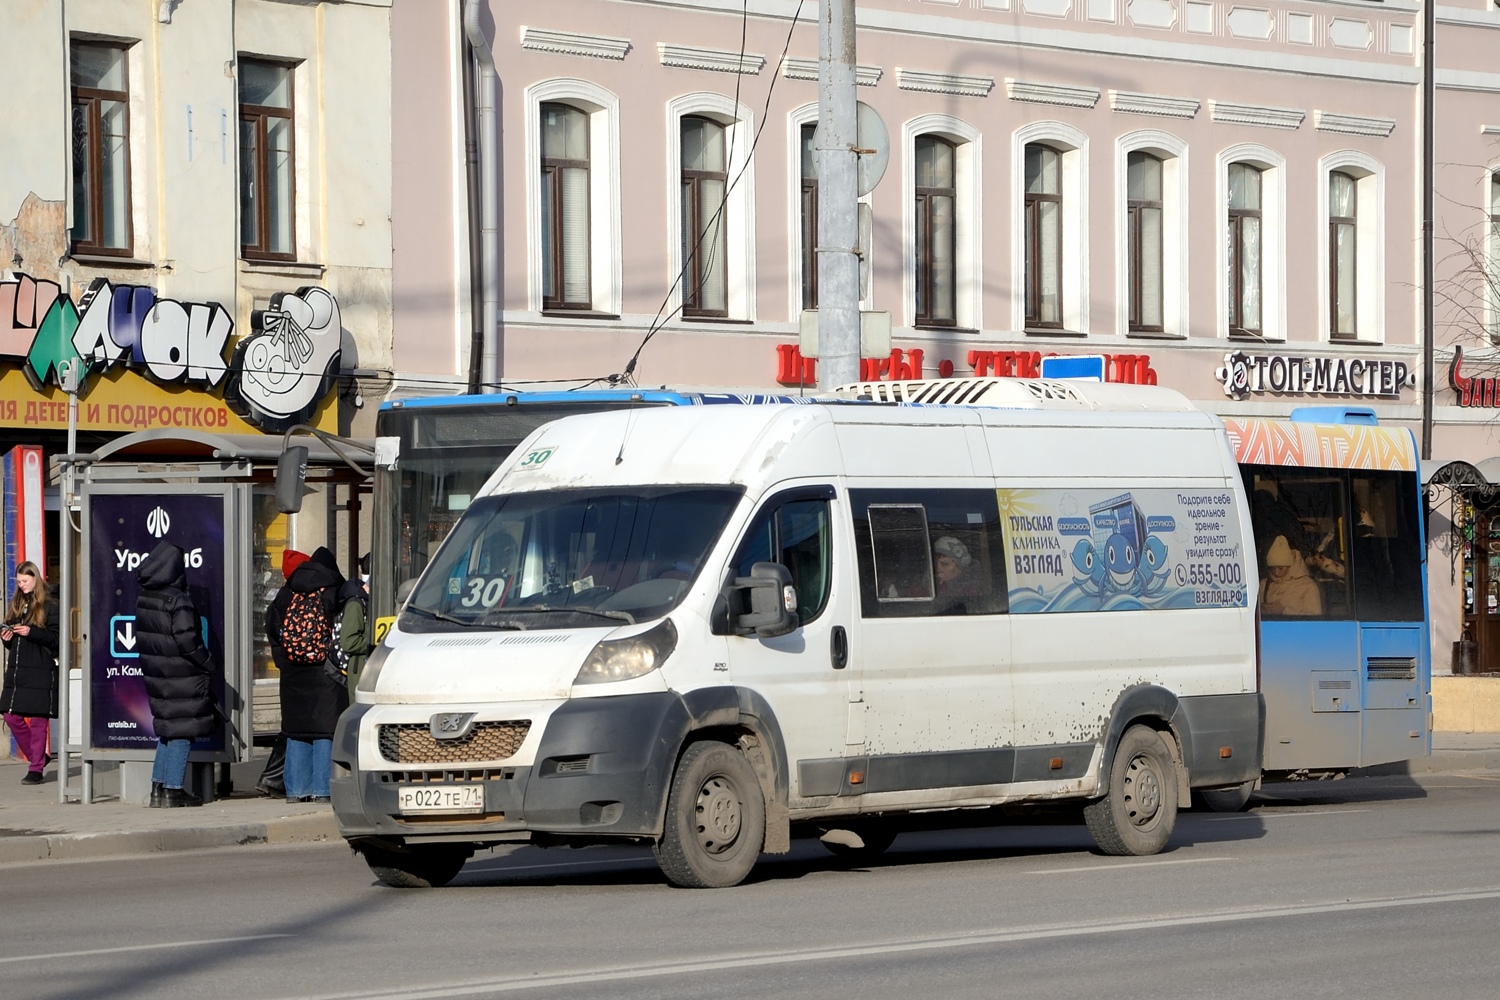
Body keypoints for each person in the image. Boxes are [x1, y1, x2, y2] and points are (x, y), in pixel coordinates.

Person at [135, 541, 214, 808]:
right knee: (182, 731)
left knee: (168, 729)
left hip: (158, 673)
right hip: (182, 674)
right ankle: (173, 789)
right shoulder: (177, 600)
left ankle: (157, 789)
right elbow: (187, 640)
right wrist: (207, 663)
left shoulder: (145, 596)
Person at [266, 546, 347, 803]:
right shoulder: (334, 591)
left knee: (296, 731)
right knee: (325, 731)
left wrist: (284, 661)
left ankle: (297, 790)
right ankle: (322, 790)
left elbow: (272, 628)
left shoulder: (286, 592)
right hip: (325, 674)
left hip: (292, 672)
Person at [0, 561, 59, 786]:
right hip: (18, 670)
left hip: (41, 667)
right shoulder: (18, 603)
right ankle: (38, 756)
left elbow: (56, 638)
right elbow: (15, 641)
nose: (21, 585)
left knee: (38, 720)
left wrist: (31, 632)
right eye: (18, 581)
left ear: (35, 578)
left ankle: (36, 769)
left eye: (25, 580)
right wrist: (7, 638)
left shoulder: (50, 604)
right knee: (9, 715)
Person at [1261, 535, 1321, 617]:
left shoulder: (1308, 585)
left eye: (1281, 568)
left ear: (1290, 565)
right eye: (1272, 568)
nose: (1276, 573)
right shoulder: (1264, 584)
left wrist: (1283, 611)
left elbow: (1314, 618)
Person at [338, 554, 372, 694]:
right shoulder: (356, 603)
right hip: (360, 668)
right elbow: (349, 642)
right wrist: (374, 641)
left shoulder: (371, 601)